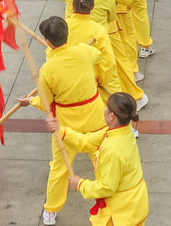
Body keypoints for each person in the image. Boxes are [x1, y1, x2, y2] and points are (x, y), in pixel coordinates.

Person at [16, 16, 106, 226]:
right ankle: (109, 196)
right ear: (67, 33)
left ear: (47, 41)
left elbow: (47, 103)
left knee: (60, 167)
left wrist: (30, 101)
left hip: (66, 123)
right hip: (95, 115)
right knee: (102, 158)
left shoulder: (47, 70)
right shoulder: (84, 51)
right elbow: (98, 55)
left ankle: (51, 210)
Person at [47, 92, 149, 226]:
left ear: (112, 116)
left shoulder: (113, 149)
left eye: (106, 108)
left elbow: (106, 187)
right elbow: (86, 142)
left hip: (121, 212)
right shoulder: (122, 130)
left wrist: (80, 184)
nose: (104, 110)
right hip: (135, 203)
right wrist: (60, 131)